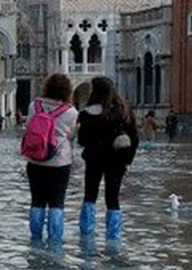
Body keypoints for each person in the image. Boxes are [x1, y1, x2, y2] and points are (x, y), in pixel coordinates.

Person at [77, 77, 138, 240]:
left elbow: (82, 139)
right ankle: (113, 237)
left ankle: (86, 234)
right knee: (113, 198)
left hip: (93, 160)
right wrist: (127, 160)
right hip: (117, 161)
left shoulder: (87, 113)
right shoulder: (124, 110)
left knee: (90, 195)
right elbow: (134, 138)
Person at [21, 73, 78, 243]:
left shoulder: (34, 105)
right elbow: (72, 134)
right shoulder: (71, 111)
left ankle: (35, 237)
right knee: (57, 202)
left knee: (37, 200)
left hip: (35, 159)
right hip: (60, 161)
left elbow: (28, 126)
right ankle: (55, 239)